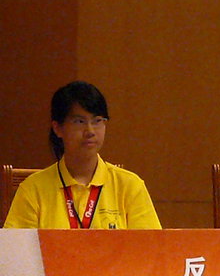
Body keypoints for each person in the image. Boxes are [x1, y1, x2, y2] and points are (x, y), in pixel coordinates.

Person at [3, 81, 161, 229]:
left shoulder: (129, 186)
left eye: (97, 121)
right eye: (79, 122)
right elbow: (16, 248)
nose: (90, 131)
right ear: (58, 128)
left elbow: (151, 246)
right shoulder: (33, 189)